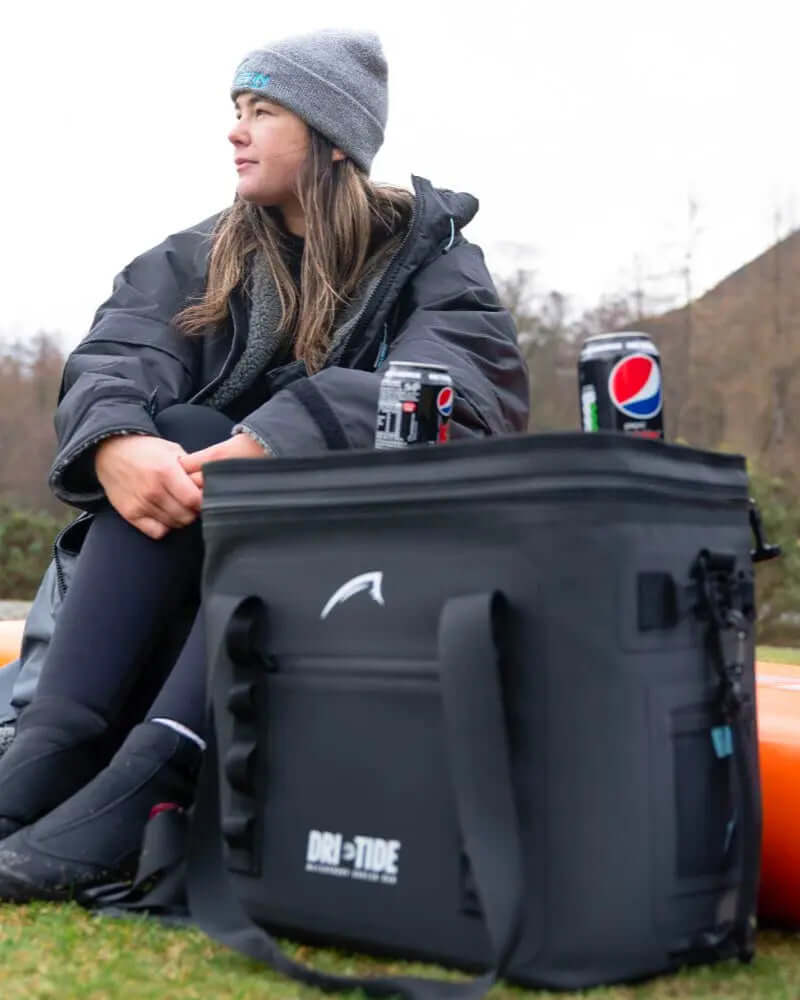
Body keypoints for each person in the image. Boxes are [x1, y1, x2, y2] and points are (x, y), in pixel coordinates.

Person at [0, 28, 529, 901]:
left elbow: (459, 395)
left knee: (273, 461)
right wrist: (118, 440)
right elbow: (118, 355)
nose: (235, 131)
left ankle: (158, 771)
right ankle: (54, 747)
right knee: (179, 423)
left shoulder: (435, 266)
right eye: (236, 109)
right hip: (174, 593)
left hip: (346, 591)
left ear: (333, 137)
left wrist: (283, 441)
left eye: (264, 112)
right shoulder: (195, 256)